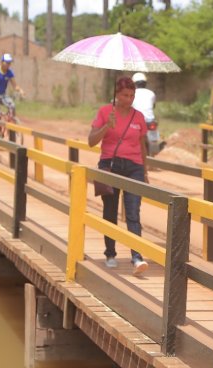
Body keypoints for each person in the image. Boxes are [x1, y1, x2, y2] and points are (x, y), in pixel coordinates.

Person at [88, 76, 150, 276]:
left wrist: (145, 171)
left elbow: (142, 146)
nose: (129, 99)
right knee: (110, 211)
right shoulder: (105, 112)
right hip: (110, 165)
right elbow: (90, 141)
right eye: (125, 95)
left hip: (134, 168)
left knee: (133, 212)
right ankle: (110, 254)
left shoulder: (138, 117)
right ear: (116, 94)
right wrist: (107, 126)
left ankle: (137, 257)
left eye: (132, 95)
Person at [0, 53, 24, 117]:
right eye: (7, 62)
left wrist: (20, 90)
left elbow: (15, 86)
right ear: (1, 62)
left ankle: (12, 121)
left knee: (12, 106)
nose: (8, 65)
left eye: (9, 63)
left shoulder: (9, 73)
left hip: (2, 95)